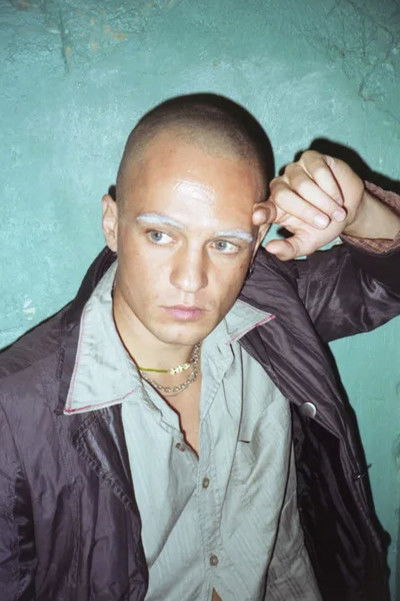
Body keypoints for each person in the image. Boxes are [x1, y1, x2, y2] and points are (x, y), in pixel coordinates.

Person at [0, 94, 399, 601]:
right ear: (112, 224)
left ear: (256, 241)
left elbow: (386, 284)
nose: (192, 280)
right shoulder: (15, 414)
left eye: (224, 244)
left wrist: (359, 210)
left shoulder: (273, 314)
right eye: (160, 235)